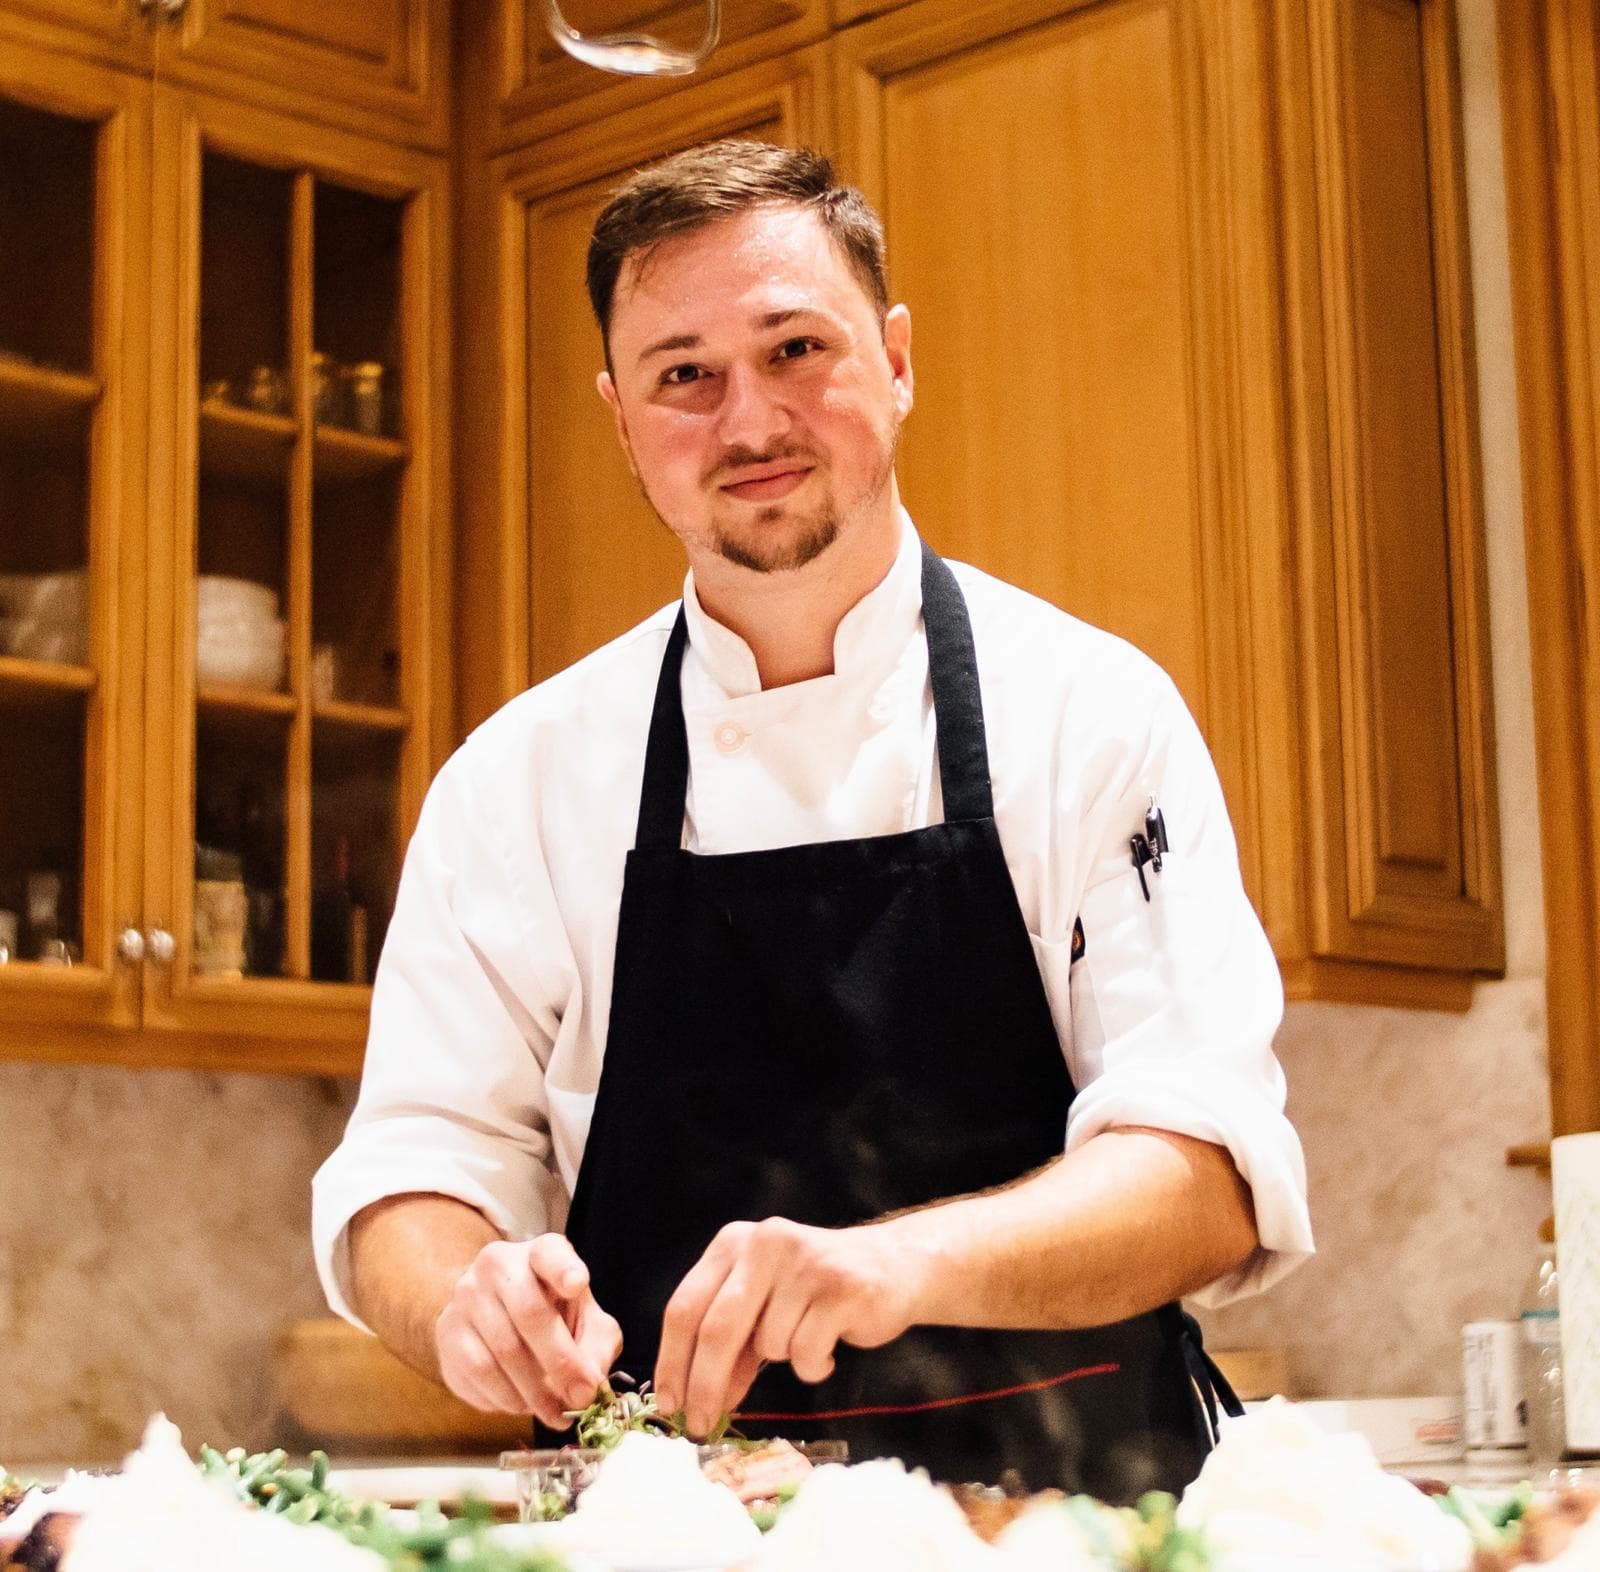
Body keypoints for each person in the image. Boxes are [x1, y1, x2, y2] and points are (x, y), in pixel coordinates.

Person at [312, 140, 1313, 1500]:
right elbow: (414, 1174)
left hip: (1080, 1524)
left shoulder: (1091, 716)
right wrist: (459, 1300)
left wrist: (894, 1264)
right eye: (685, 375)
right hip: (675, 1534)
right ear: (621, 419)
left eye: (796, 348)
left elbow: (1203, 1170)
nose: (749, 422)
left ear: (896, 360)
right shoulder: (520, 779)